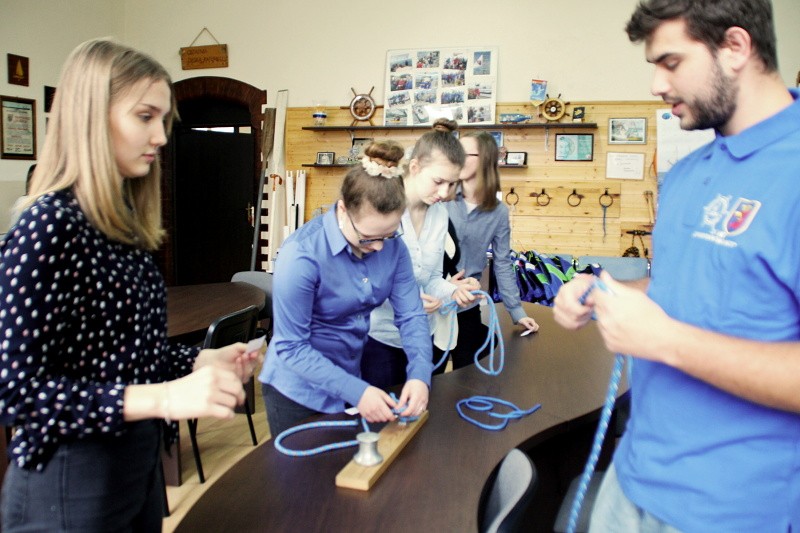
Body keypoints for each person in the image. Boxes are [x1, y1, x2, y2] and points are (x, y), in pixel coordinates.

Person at [553, 1, 800, 530]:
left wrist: (665, 340)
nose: (656, 85)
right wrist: (605, 292)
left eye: (671, 63)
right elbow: (680, 286)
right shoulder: (688, 172)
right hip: (632, 480)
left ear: (735, 47)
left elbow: (670, 334)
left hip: (734, 512)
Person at [0, 39, 261, 532]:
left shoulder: (124, 229)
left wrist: (197, 362)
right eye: (145, 117)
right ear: (92, 119)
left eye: (163, 120)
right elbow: (18, 392)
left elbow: (121, 357)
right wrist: (166, 398)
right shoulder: (48, 227)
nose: (160, 137)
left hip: (134, 469)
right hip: (70, 486)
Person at [260, 140, 432, 436]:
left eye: (389, 235)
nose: (379, 247)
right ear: (342, 209)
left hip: (350, 381)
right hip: (297, 392)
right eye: (368, 238)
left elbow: (412, 316)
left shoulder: (393, 248)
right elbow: (291, 346)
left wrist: (419, 374)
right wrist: (358, 391)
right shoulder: (301, 255)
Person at [362, 120, 479, 388]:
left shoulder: (439, 214)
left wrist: (453, 291)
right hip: (379, 340)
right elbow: (358, 282)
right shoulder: (380, 209)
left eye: (452, 184)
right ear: (414, 167)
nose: (445, 193)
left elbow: (432, 278)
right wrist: (406, 301)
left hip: (422, 339)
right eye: (438, 181)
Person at [440, 131, 539, 371]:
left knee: (467, 377)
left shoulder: (499, 212)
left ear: (484, 159)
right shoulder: (440, 197)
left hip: (467, 307)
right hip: (433, 303)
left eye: (464, 153)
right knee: (428, 377)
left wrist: (516, 311)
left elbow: (502, 262)